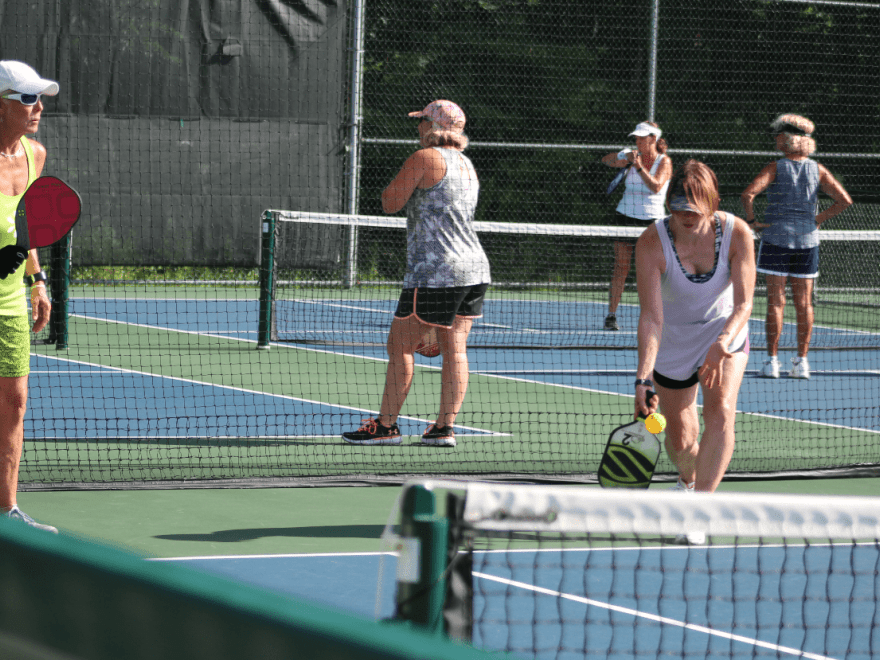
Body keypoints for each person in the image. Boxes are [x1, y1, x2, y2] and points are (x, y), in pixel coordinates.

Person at [342, 100, 490, 448]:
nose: (418, 127)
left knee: (400, 345)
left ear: (433, 127)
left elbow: (390, 202)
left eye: (422, 121)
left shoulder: (424, 158)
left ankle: (386, 426)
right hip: (474, 267)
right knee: (456, 350)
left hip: (436, 271)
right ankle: (443, 429)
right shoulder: (467, 164)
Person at [635, 160, 755, 543]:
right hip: (673, 339)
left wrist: (722, 344)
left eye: (693, 208)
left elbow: (744, 304)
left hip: (725, 333)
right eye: (677, 207)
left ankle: (701, 510)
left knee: (721, 412)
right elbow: (652, 317)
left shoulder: (737, 233)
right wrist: (643, 377)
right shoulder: (652, 241)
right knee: (681, 440)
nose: (684, 215)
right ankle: (688, 481)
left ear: (712, 201)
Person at [741, 114, 852, 379]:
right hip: (807, 242)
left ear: (788, 139)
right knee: (804, 303)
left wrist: (752, 222)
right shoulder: (818, 169)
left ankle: (772, 362)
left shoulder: (775, 167)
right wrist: (816, 220)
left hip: (776, 239)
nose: (776, 139)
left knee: (775, 302)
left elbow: (747, 194)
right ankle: (802, 362)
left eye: (779, 135)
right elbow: (844, 200)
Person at [0, 61, 58, 533]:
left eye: (38, 98)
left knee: (14, 402)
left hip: (11, 302)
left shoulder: (34, 154)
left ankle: (7, 511)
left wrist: (38, 280)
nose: (37, 107)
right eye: (26, 99)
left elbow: (29, 227)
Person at [600, 121, 672, 331]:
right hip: (625, 217)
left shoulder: (664, 162)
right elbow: (606, 160)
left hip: (651, 223)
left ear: (653, 139)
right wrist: (622, 158)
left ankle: (657, 315)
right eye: (636, 138)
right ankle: (611, 316)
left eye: (642, 137)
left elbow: (656, 187)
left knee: (653, 271)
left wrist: (638, 166)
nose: (638, 141)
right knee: (620, 268)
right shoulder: (631, 155)